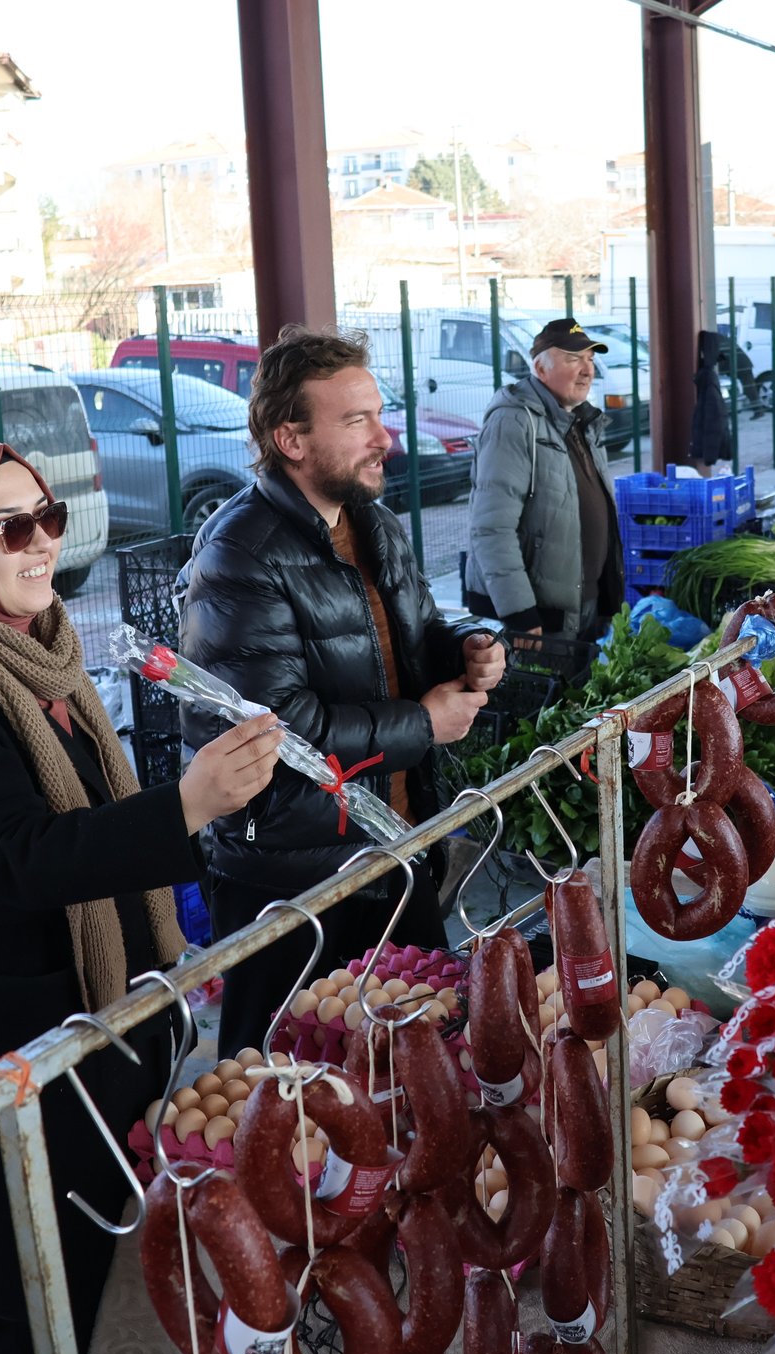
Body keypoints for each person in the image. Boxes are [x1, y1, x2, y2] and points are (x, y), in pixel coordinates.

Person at [0, 436, 285, 1354]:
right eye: (9, 527)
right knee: (35, 1307)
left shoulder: (39, 655)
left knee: (106, 1271)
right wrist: (187, 807)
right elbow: (15, 856)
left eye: (50, 517)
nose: (42, 542)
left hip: (94, 1023)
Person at [185, 326, 504, 1055]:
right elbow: (279, 732)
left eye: (379, 413)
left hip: (393, 846)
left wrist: (471, 648)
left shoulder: (374, 524)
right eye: (356, 420)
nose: (384, 437)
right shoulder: (238, 554)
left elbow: (418, 633)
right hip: (296, 880)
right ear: (289, 437)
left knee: (416, 1066)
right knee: (292, 1085)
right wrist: (424, 723)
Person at [465, 319, 625, 640]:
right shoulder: (514, 421)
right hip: (538, 615)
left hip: (581, 602)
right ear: (540, 368)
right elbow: (491, 527)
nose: (587, 370)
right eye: (573, 359)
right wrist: (520, 612)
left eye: (590, 360)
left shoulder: (583, 420)